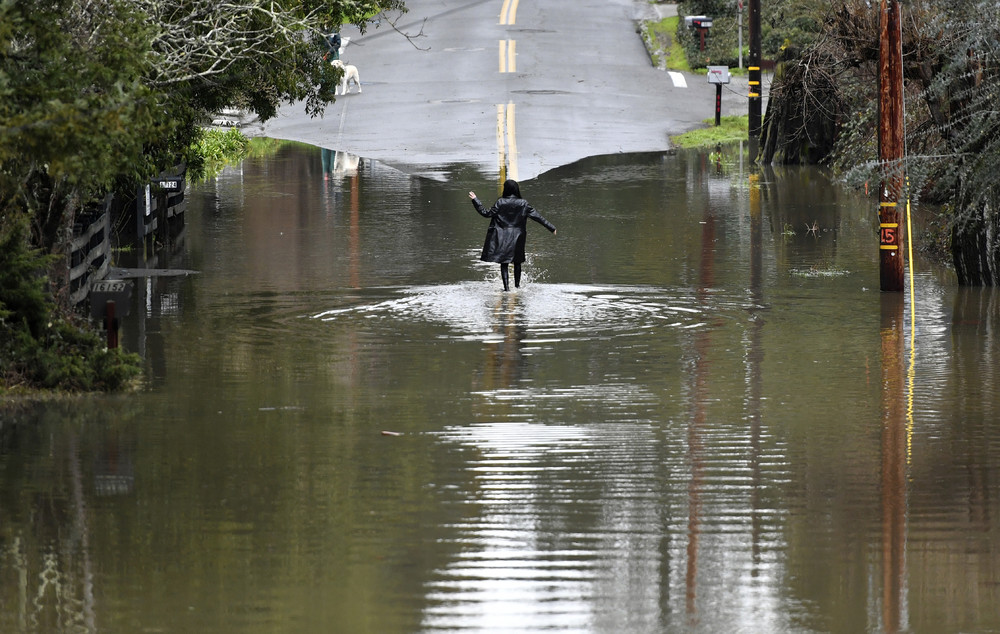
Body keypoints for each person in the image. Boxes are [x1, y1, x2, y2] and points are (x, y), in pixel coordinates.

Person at [469, 180, 556, 291]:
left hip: (502, 236)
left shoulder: (500, 202)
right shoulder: (523, 203)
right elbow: (538, 217)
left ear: (506, 189)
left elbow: (486, 213)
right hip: (518, 236)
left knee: (504, 262)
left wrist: (476, 200)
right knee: (517, 261)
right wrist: (551, 228)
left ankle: (506, 289)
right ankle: (517, 286)